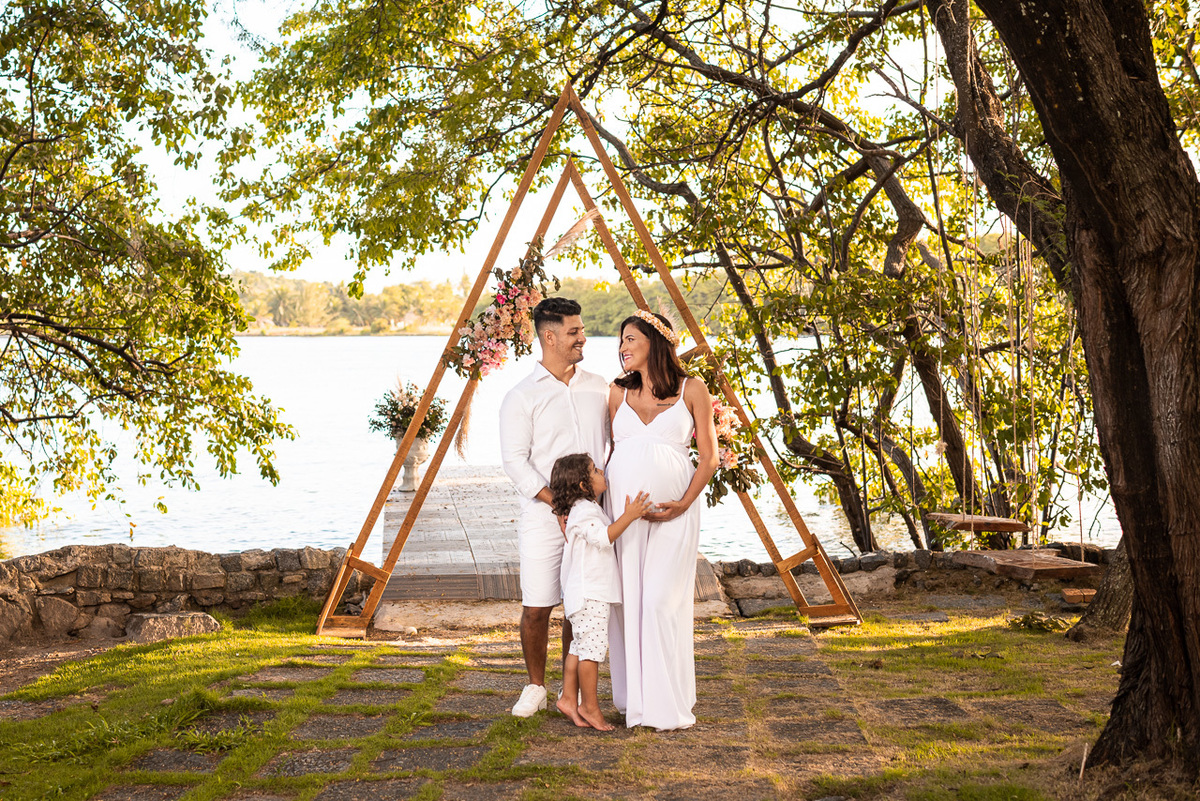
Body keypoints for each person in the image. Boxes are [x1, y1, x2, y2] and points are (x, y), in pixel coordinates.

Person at [606, 310, 719, 730]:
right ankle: (637, 701)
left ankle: (667, 702)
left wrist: (684, 503)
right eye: (621, 341)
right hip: (623, 516)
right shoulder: (617, 393)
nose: (623, 347)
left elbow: (708, 459)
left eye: (631, 339)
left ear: (656, 341)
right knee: (630, 604)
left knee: (658, 602)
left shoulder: (693, 389)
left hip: (675, 514)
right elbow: (604, 455)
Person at [499, 297, 610, 717]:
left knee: (581, 604)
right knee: (538, 604)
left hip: (594, 517)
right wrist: (556, 503)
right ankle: (534, 686)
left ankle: (575, 691)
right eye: (574, 332)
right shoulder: (521, 396)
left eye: (581, 330)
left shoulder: (600, 386)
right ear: (549, 336)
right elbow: (514, 460)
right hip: (544, 515)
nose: (583, 338)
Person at [549, 452, 653, 730]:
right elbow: (603, 538)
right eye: (595, 471)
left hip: (583, 593)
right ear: (584, 485)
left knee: (578, 648)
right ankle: (590, 706)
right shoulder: (584, 511)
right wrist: (629, 517)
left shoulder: (583, 508)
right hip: (590, 593)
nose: (601, 472)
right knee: (591, 652)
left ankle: (569, 699)